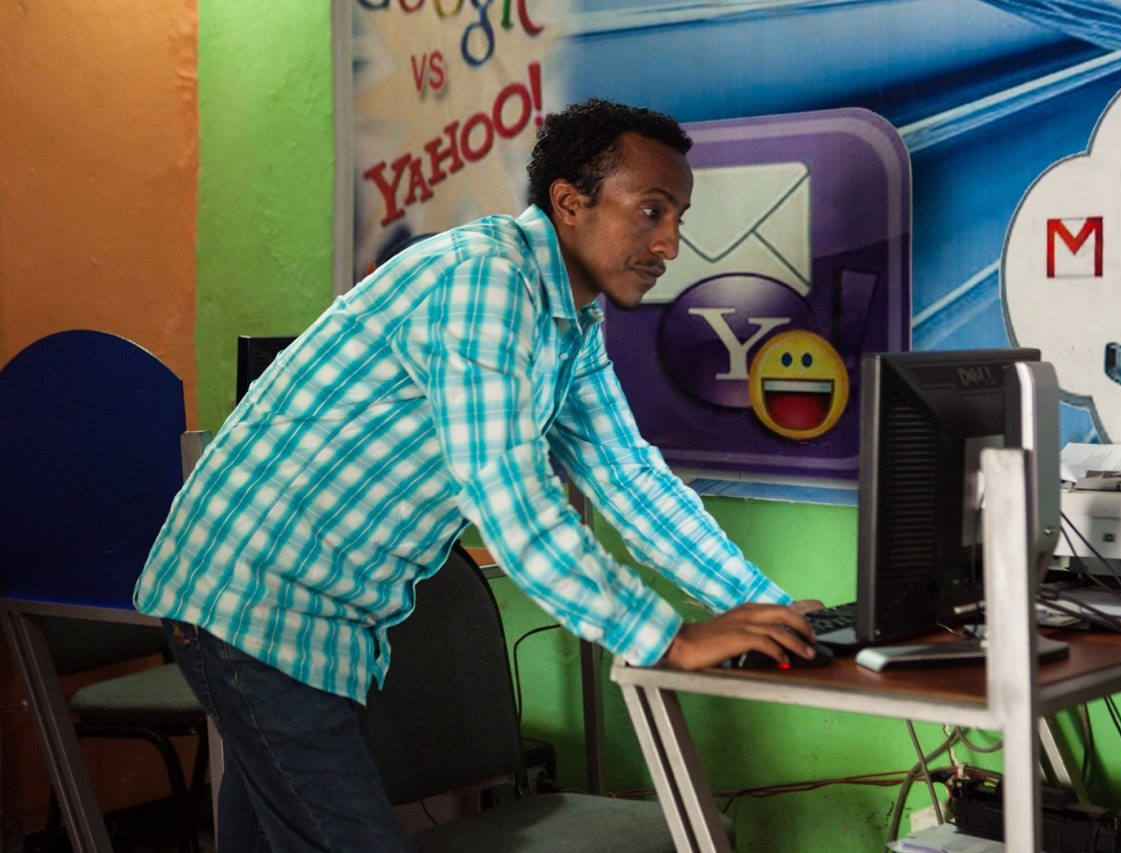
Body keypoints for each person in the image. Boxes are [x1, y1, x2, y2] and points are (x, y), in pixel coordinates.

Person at [134, 98, 821, 850]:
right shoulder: (485, 280)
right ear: (569, 202)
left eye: (678, 216)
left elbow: (629, 477)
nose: (670, 242)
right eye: (651, 210)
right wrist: (668, 638)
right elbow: (511, 496)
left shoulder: (569, 321)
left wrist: (766, 607)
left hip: (320, 621)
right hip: (253, 600)